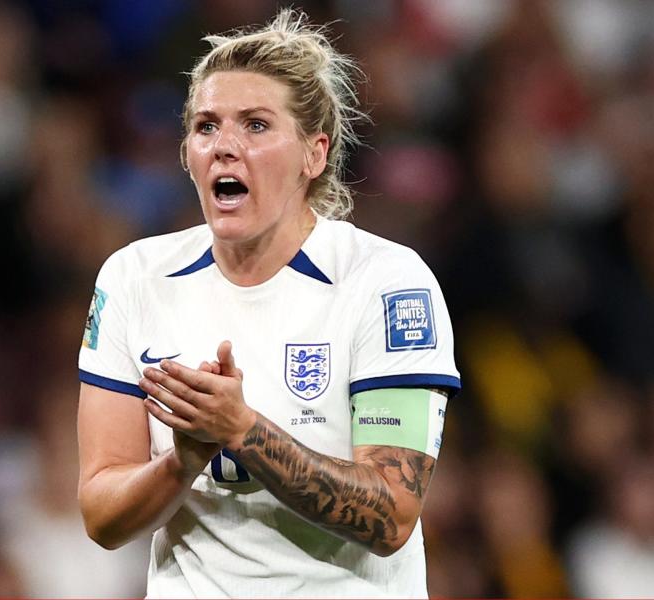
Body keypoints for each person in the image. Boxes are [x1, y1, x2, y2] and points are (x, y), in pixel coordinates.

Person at [77, 9, 460, 598]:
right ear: (186, 154)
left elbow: (391, 516)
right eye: (206, 126)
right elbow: (102, 516)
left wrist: (242, 431)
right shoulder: (133, 278)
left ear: (315, 154)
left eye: (255, 125)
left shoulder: (387, 284)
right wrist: (182, 461)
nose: (225, 145)